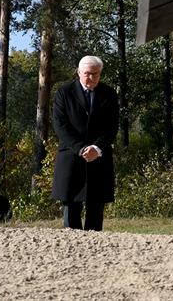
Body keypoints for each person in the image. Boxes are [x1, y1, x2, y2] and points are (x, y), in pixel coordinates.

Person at [51, 56, 119, 231]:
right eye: (87, 74)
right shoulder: (64, 92)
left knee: (96, 208)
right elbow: (60, 125)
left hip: (99, 156)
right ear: (79, 72)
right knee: (71, 208)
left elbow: (112, 126)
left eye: (95, 74)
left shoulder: (109, 93)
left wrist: (97, 148)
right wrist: (81, 148)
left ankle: (95, 252)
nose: (91, 78)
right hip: (72, 156)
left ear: (100, 73)